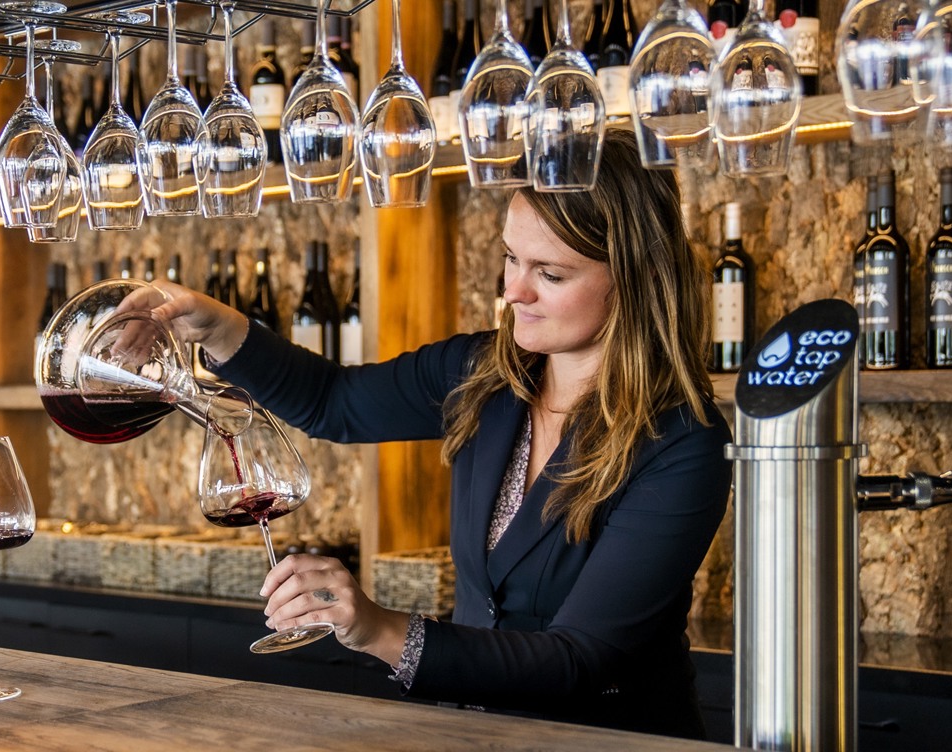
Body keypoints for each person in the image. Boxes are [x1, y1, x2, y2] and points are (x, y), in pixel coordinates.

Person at [146, 130, 731, 738]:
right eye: (510, 258)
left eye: (550, 274)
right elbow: (332, 403)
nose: (514, 291)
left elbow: (581, 658)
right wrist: (211, 326)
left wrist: (378, 629)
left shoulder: (682, 440)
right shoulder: (485, 376)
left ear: (632, 279)